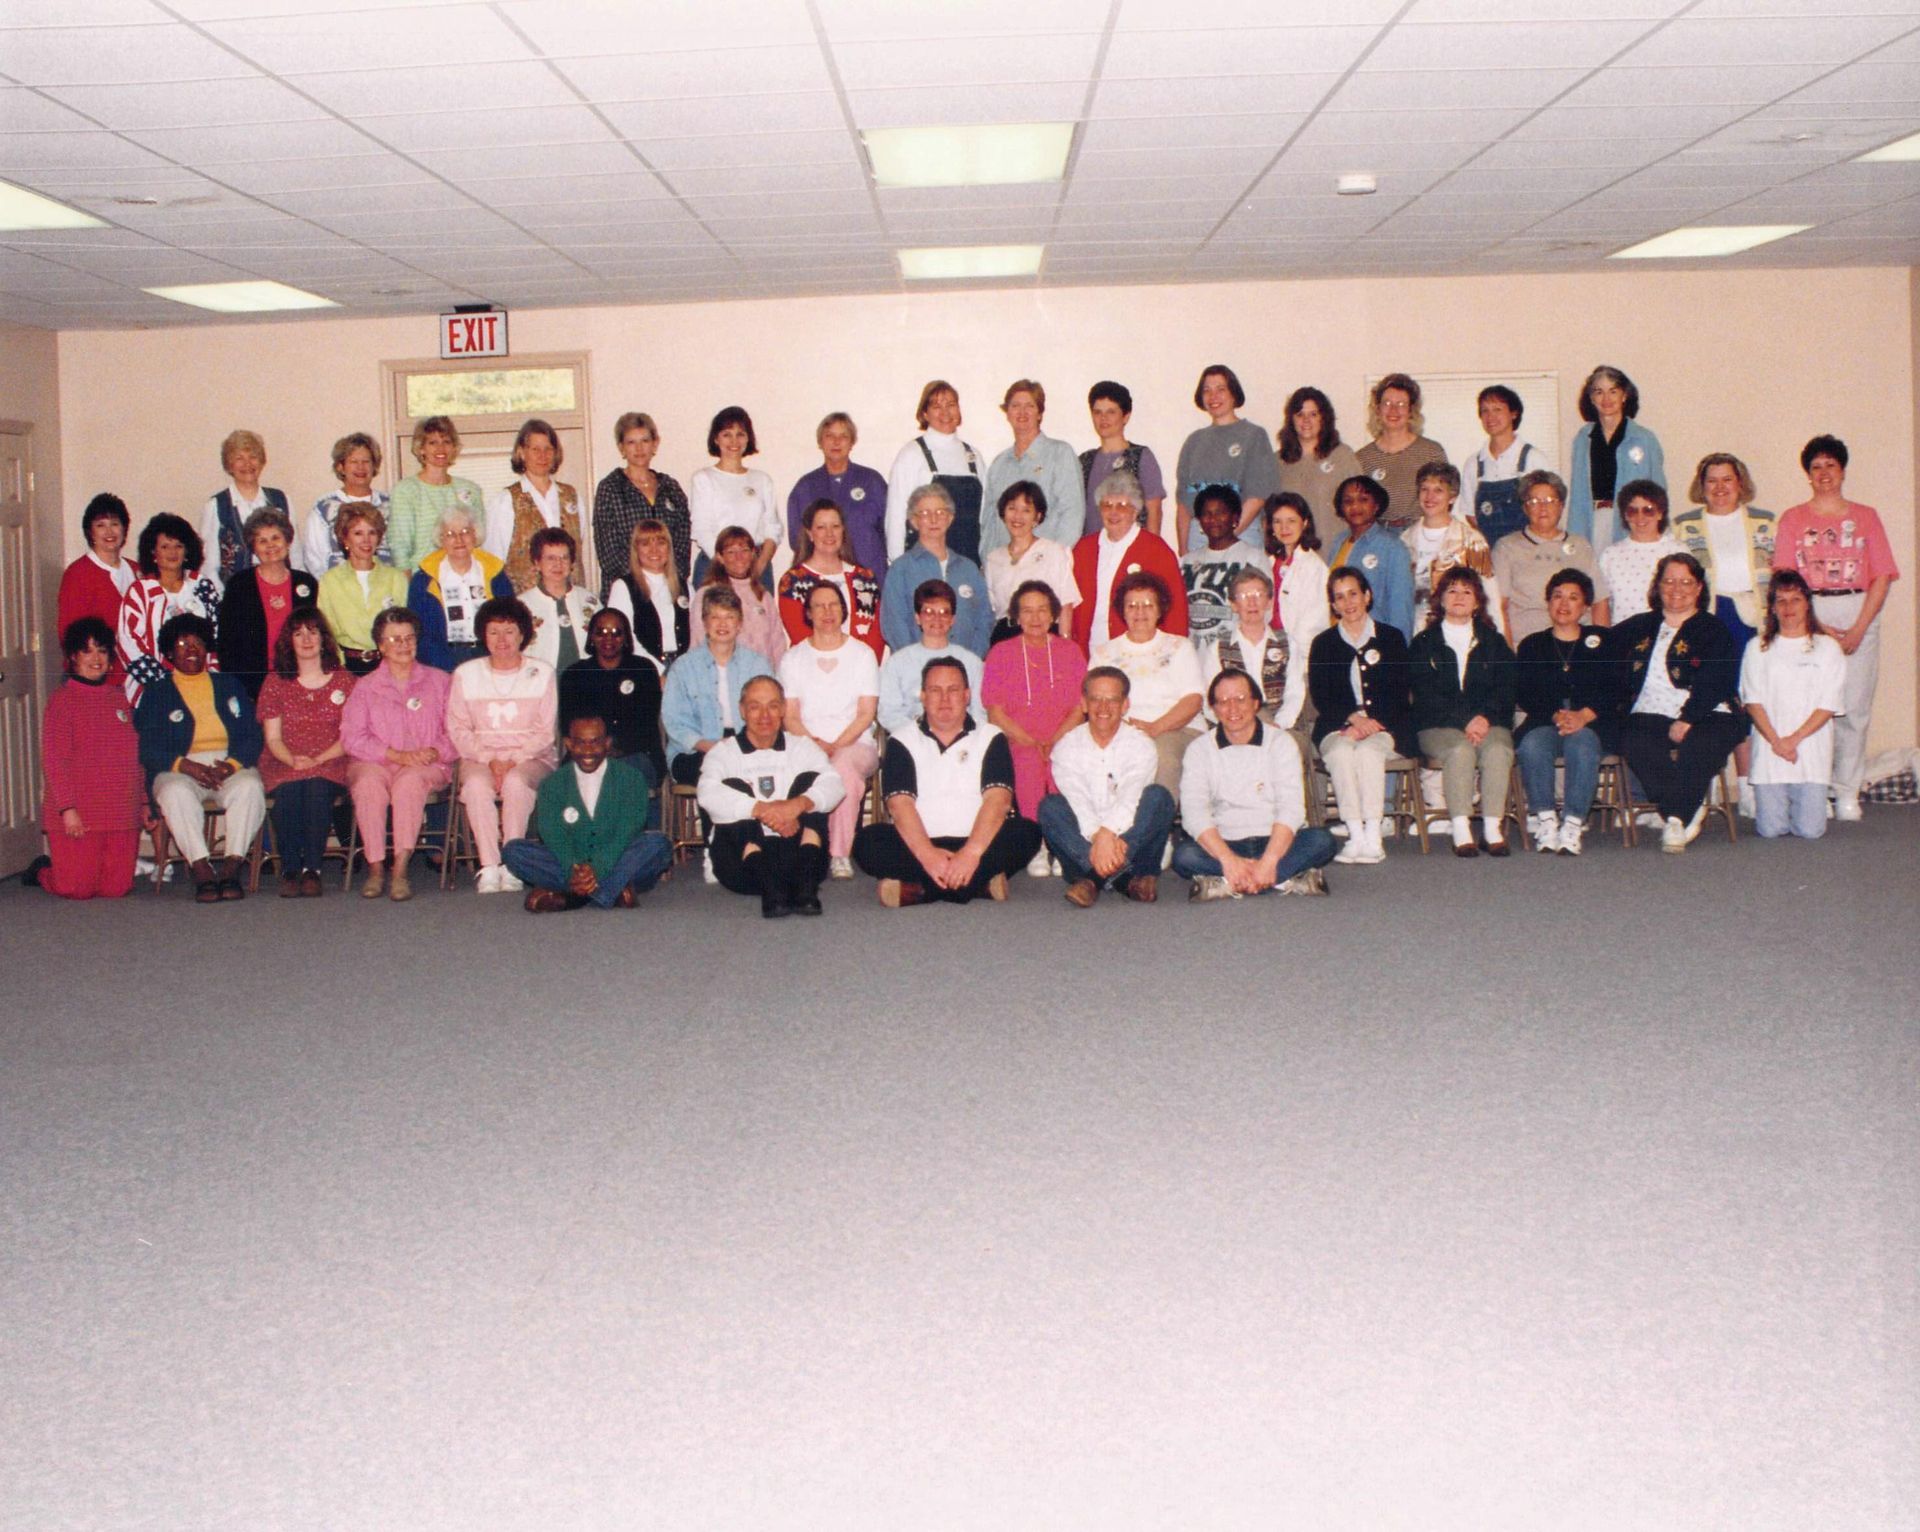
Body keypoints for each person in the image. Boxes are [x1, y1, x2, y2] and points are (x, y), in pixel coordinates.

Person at [1771, 433, 1900, 822]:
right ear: (1808, 475)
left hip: (1859, 607)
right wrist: (1816, 624)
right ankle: (1815, 791)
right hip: (1809, 612)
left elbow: (1882, 575)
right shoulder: (1794, 518)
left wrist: (1860, 627)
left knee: (1854, 708)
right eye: (1816, 467)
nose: (1824, 473)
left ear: (1842, 470)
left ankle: (1847, 792)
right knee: (1811, 707)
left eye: (1830, 465)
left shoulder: (1866, 516)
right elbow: (1784, 576)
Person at [851, 655, 1041, 907]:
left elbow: (999, 801)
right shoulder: (901, 740)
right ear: (923, 696)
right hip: (919, 844)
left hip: (978, 842)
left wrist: (971, 854)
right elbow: (900, 805)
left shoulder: (991, 737)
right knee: (867, 842)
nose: (944, 699)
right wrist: (928, 855)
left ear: (967, 695)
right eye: (935, 690)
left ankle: (920, 891)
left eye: (952, 690)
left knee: (1027, 832)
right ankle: (978, 885)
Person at [1616, 552, 1748, 852]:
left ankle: (1674, 819)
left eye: (1686, 582)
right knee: (1633, 740)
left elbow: (1716, 678)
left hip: (1708, 710)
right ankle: (1687, 808)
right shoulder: (1639, 626)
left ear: (1699, 587)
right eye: (1669, 581)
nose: (1677, 589)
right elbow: (1602, 654)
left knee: (1701, 744)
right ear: (1658, 586)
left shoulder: (1713, 629)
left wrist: (1688, 718)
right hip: (1651, 709)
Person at [134, 613, 266, 902]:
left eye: (198, 643)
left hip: (228, 764)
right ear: (169, 652)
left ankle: (232, 866)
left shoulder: (229, 684)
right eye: (182, 643)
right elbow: (147, 747)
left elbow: (252, 735)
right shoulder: (157, 692)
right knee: (174, 792)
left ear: (207, 649)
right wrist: (185, 765)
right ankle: (201, 868)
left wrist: (230, 765)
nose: (191, 649)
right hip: (178, 765)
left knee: (250, 787)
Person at [1174, 669, 1336, 900]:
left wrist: (1269, 861)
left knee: (1323, 841)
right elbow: (1194, 813)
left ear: (1255, 703)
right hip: (1226, 842)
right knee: (1184, 856)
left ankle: (1230, 882)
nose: (1233, 709)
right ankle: (1284, 879)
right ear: (1213, 709)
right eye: (1223, 702)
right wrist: (1229, 860)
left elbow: (1291, 809)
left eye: (1241, 699)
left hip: (1277, 843)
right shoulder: (1199, 749)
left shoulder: (1281, 742)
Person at [697, 675, 841, 918]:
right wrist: (761, 809)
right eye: (755, 707)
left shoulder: (803, 746)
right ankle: (771, 890)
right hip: (744, 864)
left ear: (784, 709)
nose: (765, 715)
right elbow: (707, 794)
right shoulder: (722, 752)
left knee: (811, 783)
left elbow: (835, 785)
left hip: (799, 856)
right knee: (732, 787)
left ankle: (806, 888)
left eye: (773, 706)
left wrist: (796, 805)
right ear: (742, 711)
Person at [662, 586, 778, 881]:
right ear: (704, 622)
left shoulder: (757, 664)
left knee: (751, 770)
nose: (722, 624)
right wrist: (711, 747)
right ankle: (717, 852)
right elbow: (674, 722)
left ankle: (756, 848)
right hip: (694, 750)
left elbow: (769, 713)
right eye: (715, 617)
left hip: (747, 743)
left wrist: (742, 746)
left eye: (729, 617)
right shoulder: (684, 667)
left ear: (740, 623)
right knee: (715, 773)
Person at [503, 714, 672, 913]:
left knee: (657, 845)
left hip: (617, 856)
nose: (588, 750)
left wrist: (598, 868)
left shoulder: (632, 778)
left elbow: (627, 832)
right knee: (513, 851)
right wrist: (572, 867)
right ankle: (612, 891)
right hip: (571, 861)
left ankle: (571, 897)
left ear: (607, 743)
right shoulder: (552, 784)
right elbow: (552, 834)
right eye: (580, 743)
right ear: (568, 744)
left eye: (595, 742)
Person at [446, 596, 558, 892]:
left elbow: (546, 732)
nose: (502, 639)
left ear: (523, 634)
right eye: (494, 631)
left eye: (509, 631)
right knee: (476, 787)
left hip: (532, 758)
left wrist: (513, 759)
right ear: (483, 635)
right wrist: (488, 758)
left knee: (516, 783)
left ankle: (513, 863)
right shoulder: (465, 674)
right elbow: (457, 728)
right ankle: (489, 866)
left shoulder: (542, 672)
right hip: (479, 758)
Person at [1038, 666, 1176, 906]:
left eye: (1112, 700)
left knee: (1159, 797)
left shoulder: (1141, 745)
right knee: (1050, 806)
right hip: (1085, 839)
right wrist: (1097, 836)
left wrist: (1108, 834)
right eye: (1096, 699)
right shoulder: (1066, 747)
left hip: (1130, 837)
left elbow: (1131, 797)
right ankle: (1127, 881)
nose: (1103, 708)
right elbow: (1077, 801)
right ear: (1083, 703)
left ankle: (1092, 879)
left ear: (1125, 705)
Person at [341, 606, 454, 901]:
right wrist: (393, 755)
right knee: (367, 785)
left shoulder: (440, 681)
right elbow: (352, 738)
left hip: (426, 764)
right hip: (376, 762)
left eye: (408, 638)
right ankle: (376, 868)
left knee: (408, 784)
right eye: (394, 639)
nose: (402, 645)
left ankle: (400, 869)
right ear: (380, 646)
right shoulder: (364, 687)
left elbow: (457, 732)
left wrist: (434, 750)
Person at [1409, 567, 1519, 857]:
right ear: (1441, 599)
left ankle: (1493, 828)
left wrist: (1484, 718)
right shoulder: (1423, 643)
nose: (1459, 597)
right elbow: (1425, 693)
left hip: (1488, 722)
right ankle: (1461, 828)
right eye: (1452, 591)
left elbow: (1506, 689)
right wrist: (1465, 719)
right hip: (1437, 725)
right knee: (1460, 750)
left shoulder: (1494, 642)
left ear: (1478, 601)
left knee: (1497, 749)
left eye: (1467, 591)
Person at [1309, 566, 1415, 865]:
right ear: (1333, 605)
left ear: (1367, 596)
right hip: (1337, 725)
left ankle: (1373, 836)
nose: (1348, 603)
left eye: (1353, 594)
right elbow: (1322, 694)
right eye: (1339, 597)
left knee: (1368, 752)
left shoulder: (1391, 638)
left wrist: (1370, 724)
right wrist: (1352, 719)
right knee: (1342, 753)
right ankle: (1354, 834)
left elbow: (1400, 690)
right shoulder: (1323, 644)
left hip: (1387, 726)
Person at [34, 617, 145, 901]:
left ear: (110, 658)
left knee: (116, 889)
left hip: (121, 811)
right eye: (87, 651)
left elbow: (135, 758)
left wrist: (144, 803)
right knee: (77, 889)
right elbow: (54, 760)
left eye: (102, 651)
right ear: (73, 657)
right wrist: (67, 809)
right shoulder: (62, 700)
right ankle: (42, 872)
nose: (96, 658)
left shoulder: (121, 699)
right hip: (79, 811)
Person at [779, 583, 881, 880]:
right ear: (808, 614)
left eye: (834, 605)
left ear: (844, 610)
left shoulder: (862, 654)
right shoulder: (793, 658)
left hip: (855, 744)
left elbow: (866, 714)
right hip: (804, 744)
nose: (827, 612)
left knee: (842, 768)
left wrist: (835, 745)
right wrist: (815, 745)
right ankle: (799, 848)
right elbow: (791, 715)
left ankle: (838, 854)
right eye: (819, 606)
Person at [1514, 569, 1617, 856]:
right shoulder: (1532, 644)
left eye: (1573, 598)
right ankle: (1546, 820)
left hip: (1592, 724)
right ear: (1548, 602)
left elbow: (1617, 688)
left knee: (1582, 744)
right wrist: (1556, 715)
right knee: (1532, 745)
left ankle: (1572, 823)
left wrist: (1584, 715)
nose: (1564, 603)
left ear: (1585, 606)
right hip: (1545, 721)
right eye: (1557, 596)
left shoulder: (1603, 640)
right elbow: (1525, 691)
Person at [981, 580, 1089, 854]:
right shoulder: (1000, 653)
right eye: (1027, 611)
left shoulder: (1071, 652)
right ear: (1016, 617)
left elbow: (1081, 707)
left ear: (1054, 614)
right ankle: (1035, 844)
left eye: (1042, 610)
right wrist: (1031, 741)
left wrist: (1055, 740)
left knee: (1061, 764)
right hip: (1019, 739)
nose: (1035, 618)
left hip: (1064, 736)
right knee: (1028, 763)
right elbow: (995, 712)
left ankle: (1062, 843)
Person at [1740, 571, 1846, 841]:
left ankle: (1813, 801)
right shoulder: (1757, 648)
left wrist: (1793, 740)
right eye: (1781, 601)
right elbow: (1753, 702)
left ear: (1807, 604)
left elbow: (1828, 704)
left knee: (1810, 831)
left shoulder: (1828, 648)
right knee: (1770, 830)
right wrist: (1777, 742)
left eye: (1795, 600)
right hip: (1770, 752)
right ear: (1772, 608)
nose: (1789, 608)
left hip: (1810, 752)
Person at [256, 606, 354, 896]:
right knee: (289, 790)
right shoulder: (275, 682)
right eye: (298, 634)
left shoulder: (345, 680)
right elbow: (272, 738)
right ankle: (289, 869)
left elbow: (351, 735)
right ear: (289, 641)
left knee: (315, 787)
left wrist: (319, 759)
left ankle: (312, 869)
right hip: (285, 758)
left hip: (333, 758)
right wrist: (294, 760)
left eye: (313, 632)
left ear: (324, 639)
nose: (307, 639)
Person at [1089, 570, 1204, 796]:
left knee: (1161, 754)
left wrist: (1155, 728)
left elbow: (1193, 701)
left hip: (1177, 730)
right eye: (1132, 605)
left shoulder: (1179, 647)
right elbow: (1095, 702)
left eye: (1148, 605)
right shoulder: (1104, 653)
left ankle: (1154, 827)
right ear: (1122, 610)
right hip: (1121, 732)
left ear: (1160, 609)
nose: (1139, 612)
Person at [1071, 470, 1189, 650]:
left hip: (1139, 651)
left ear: (1135, 511)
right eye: (1107, 505)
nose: (1113, 512)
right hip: (1089, 649)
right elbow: (1070, 603)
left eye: (1122, 505)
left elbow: (1175, 611)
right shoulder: (1083, 549)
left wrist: (1170, 653)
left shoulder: (1156, 550)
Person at [1491, 469, 1609, 644]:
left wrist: (1601, 649)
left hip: (1576, 646)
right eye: (1534, 501)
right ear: (1525, 507)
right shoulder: (1506, 547)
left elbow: (1600, 602)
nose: (1543, 508)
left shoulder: (1580, 546)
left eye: (1549, 501)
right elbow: (1499, 608)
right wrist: (1508, 657)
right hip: (1526, 648)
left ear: (1561, 506)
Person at [1673, 452, 1778, 647]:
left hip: (1756, 613)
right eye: (1712, 481)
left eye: (1727, 479)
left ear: (1740, 483)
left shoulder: (1765, 523)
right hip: (1709, 613)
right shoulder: (1684, 527)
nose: (1720, 487)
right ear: (1702, 486)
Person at [118, 511, 223, 705]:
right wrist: (164, 683)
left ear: (187, 551)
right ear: (153, 552)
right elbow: (128, 643)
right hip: (152, 692)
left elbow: (216, 638)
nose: (172, 552)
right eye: (165, 546)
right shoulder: (139, 591)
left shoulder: (202, 586)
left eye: (178, 546)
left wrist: (209, 679)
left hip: (201, 688)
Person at [1174, 363, 1278, 552]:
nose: (1213, 396)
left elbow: (1257, 496)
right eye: (1207, 390)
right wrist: (1183, 550)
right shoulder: (1194, 441)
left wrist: (1225, 537)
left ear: (1234, 394)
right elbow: (1184, 502)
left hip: (1241, 534)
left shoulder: (1253, 435)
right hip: (1199, 536)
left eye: (1221, 389)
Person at [880, 483, 993, 656]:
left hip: (965, 671)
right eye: (925, 513)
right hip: (917, 671)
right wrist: (917, 663)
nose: (933, 519)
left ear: (950, 518)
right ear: (914, 521)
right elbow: (894, 625)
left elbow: (985, 619)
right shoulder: (900, 569)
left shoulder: (969, 569)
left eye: (940, 512)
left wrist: (970, 660)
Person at [217, 506, 317, 698]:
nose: (270, 545)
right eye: (262, 540)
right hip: (253, 684)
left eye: (276, 538)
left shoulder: (306, 583)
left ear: (288, 542)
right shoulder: (239, 584)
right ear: (253, 547)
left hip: (301, 678)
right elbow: (227, 643)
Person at [560, 608, 665, 787]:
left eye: (616, 632)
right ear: (591, 636)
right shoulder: (575, 673)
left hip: (636, 753)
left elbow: (647, 723)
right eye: (601, 632)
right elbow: (568, 724)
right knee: (567, 779)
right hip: (586, 752)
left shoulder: (643, 669)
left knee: (619, 775)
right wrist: (596, 748)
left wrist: (613, 747)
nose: (609, 638)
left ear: (626, 638)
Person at [980, 379, 1083, 558]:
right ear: (1007, 413)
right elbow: (989, 522)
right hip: (1005, 567)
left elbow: (1072, 514)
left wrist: (1050, 560)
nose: (1022, 412)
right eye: (1015, 405)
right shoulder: (999, 464)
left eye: (1030, 405)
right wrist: (990, 563)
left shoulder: (1060, 454)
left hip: (1044, 566)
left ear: (1040, 413)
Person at [885, 379, 985, 564]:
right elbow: (896, 514)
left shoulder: (973, 456)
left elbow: (983, 517)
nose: (945, 412)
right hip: (923, 562)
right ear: (925, 413)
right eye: (937, 406)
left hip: (966, 562)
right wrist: (898, 564)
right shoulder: (911, 454)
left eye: (951, 405)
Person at [1567, 365, 1664, 551]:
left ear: (1624, 395)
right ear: (1591, 398)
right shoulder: (1583, 439)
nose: (1606, 399)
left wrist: (1657, 532)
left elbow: (1658, 491)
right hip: (1594, 520)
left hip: (1633, 522)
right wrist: (1575, 537)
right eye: (1599, 392)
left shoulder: (1644, 439)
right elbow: (1577, 495)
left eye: (1613, 391)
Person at [594, 411, 691, 593]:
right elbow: (609, 553)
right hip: (626, 589)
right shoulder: (610, 488)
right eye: (631, 442)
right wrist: (645, 582)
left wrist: (664, 582)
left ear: (655, 443)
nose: (639, 449)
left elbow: (682, 544)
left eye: (645, 441)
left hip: (668, 588)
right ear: (621, 448)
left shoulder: (671, 487)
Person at [483, 418, 582, 591]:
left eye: (548, 449)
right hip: (524, 603)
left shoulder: (571, 496)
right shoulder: (506, 500)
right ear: (522, 452)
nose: (542, 455)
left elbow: (579, 547)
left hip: (569, 596)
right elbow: (493, 562)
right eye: (535, 449)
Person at [408, 508, 512, 672]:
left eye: (465, 531)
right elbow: (418, 632)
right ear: (441, 540)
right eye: (450, 534)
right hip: (442, 659)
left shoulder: (496, 574)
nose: (459, 539)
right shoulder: (423, 580)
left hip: (489, 657)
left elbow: (510, 621)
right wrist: (438, 665)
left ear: (475, 535)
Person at [786, 411, 889, 577]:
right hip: (821, 576)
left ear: (852, 442)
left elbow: (889, 529)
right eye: (829, 436)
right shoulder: (806, 486)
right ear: (820, 442)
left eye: (843, 436)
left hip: (869, 573)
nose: (836, 442)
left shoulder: (871, 481)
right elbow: (796, 538)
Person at [879, 579, 985, 735]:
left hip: (961, 742)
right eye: (929, 612)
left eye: (944, 612)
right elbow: (888, 713)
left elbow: (979, 713)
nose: (937, 618)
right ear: (917, 617)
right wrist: (921, 736)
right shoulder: (897, 662)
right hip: (912, 740)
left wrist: (955, 736)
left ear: (952, 619)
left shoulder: (972, 662)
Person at [778, 500, 884, 657]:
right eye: (821, 527)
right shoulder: (793, 581)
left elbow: (876, 633)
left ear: (843, 530)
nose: (829, 533)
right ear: (810, 534)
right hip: (813, 670)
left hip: (860, 670)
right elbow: (800, 635)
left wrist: (863, 665)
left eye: (835, 526)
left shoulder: (865, 579)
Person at [686, 404, 781, 580]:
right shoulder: (704, 478)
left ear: (748, 439)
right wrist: (729, 565)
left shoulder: (762, 480)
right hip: (715, 565)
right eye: (727, 434)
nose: (734, 441)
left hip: (756, 566)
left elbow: (772, 528)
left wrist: (759, 566)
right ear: (716, 439)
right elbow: (701, 529)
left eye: (740, 434)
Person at [316, 502, 409, 675]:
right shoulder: (329, 581)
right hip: (346, 667)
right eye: (358, 533)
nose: (366, 540)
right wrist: (340, 670)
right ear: (345, 539)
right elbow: (326, 632)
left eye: (372, 532)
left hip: (389, 666)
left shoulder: (396, 578)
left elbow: (403, 629)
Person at [387, 414, 487, 574]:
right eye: (433, 443)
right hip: (423, 578)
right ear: (421, 449)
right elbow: (400, 548)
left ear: (454, 448)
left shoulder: (470, 490)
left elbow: (478, 540)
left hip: (465, 577)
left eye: (446, 442)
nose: (440, 448)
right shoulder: (406, 491)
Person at [1402, 461, 1494, 628]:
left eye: (1438, 490)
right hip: (1412, 630)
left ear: (1452, 496)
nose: (1430, 497)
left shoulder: (1472, 541)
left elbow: (1488, 597)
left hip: (1458, 630)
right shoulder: (1404, 541)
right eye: (1424, 489)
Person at [1457, 384, 1552, 546]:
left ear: (1514, 413)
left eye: (1497, 409)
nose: (1490, 416)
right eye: (1485, 410)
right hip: (1491, 550)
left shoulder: (1533, 459)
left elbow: (1548, 510)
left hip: (1529, 548)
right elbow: (1471, 515)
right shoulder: (1473, 464)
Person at [984, 479, 1078, 641]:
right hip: (1005, 637)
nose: (1017, 516)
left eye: (1026, 510)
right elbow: (991, 611)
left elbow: (1066, 604)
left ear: (1037, 517)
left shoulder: (1054, 552)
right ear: (1003, 513)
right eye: (1012, 508)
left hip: (1043, 635)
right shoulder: (993, 559)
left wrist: (1064, 645)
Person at [1325, 475, 1415, 640]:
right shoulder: (1339, 542)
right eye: (1348, 501)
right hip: (1339, 638)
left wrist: (1398, 653)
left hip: (1376, 643)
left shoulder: (1393, 547)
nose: (1355, 506)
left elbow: (1401, 609)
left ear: (1376, 505)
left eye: (1363, 499)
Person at [1355, 374, 1448, 534]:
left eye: (1401, 404)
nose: (1393, 410)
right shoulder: (1363, 458)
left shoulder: (1431, 452)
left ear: (1411, 410)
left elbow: (1444, 500)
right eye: (1387, 403)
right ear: (1377, 409)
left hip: (1420, 534)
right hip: (1378, 537)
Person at [198, 428, 290, 584]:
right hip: (235, 593)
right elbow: (209, 564)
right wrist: (226, 598)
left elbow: (295, 553)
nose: (247, 464)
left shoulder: (281, 500)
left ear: (261, 462)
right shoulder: (216, 505)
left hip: (278, 588)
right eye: (239, 458)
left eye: (253, 457)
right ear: (229, 465)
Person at [1079, 381, 1166, 540]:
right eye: (1097, 412)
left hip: (1132, 552)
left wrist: (1151, 551)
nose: (1103, 418)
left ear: (1125, 416)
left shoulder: (1141, 457)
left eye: (1111, 412)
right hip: (1092, 551)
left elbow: (1154, 511)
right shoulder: (1084, 461)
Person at [691, 523, 788, 664]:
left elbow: (778, 644)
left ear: (753, 554)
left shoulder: (763, 595)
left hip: (762, 679)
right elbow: (697, 643)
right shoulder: (707, 594)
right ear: (720, 557)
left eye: (744, 550)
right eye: (731, 552)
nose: (739, 557)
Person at [1181, 484, 1263, 649]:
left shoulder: (1254, 558)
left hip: (1236, 655)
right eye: (1206, 514)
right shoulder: (1186, 562)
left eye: (1221, 513)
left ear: (1235, 518)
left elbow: (1264, 612)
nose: (1213, 520)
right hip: (1195, 658)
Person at [297, 432, 391, 575]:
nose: (361, 467)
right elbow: (314, 560)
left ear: (374, 466)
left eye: (366, 462)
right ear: (341, 467)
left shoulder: (391, 505)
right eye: (354, 462)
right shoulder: (324, 509)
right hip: (339, 590)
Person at [1274, 385, 1363, 534]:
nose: (1306, 420)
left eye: (1313, 414)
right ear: (1291, 420)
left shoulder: (1342, 456)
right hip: (1293, 552)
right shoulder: (1278, 461)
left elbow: (1360, 504)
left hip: (1334, 547)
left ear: (1323, 418)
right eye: (1300, 414)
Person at [606, 518, 688, 673]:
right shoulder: (623, 587)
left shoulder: (685, 587)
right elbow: (623, 636)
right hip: (643, 668)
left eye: (660, 543)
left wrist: (685, 669)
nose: (654, 550)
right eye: (645, 544)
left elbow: (698, 632)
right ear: (636, 550)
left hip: (684, 668)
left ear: (669, 548)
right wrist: (656, 671)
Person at [58, 493, 137, 649]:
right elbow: (69, 634)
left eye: (114, 524)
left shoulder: (138, 570)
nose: (109, 532)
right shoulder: (77, 574)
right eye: (100, 525)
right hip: (97, 667)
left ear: (124, 528)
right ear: (90, 532)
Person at [1598, 479, 1683, 623]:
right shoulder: (1610, 555)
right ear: (1625, 515)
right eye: (1632, 511)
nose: (1640, 517)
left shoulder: (1677, 550)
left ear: (1660, 513)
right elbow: (1601, 604)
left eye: (1648, 510)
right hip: (1623, 638)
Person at [520, 527, 599, 670]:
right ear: (537, 563)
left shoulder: (590, 601)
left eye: (565, 557)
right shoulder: (522, 605)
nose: (558, 564)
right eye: (551, 558)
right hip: (540, 684)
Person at [1266, 493, 1330, 652]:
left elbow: (1313, 625)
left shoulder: (1314, 566)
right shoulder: (1269, 562)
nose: (1284, 528)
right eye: (1277, 521)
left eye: (1291, 521)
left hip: (1298, 651)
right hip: (1270, 646)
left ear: (1305, 523)